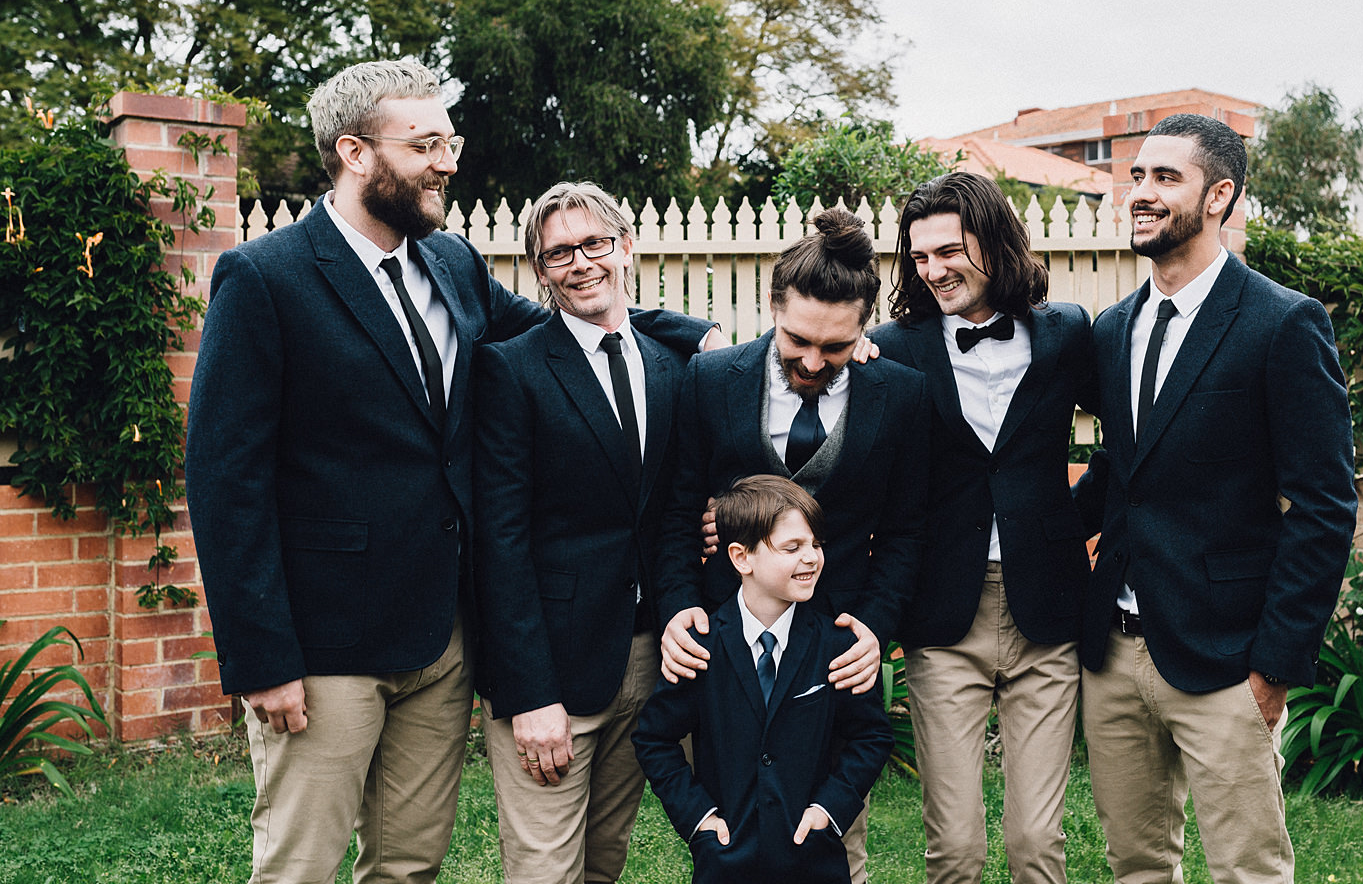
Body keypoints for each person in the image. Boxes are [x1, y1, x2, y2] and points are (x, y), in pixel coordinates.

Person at [185, 59, 712, 884]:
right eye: (426, 143)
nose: (448, 161)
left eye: (449, 140)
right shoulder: (266, 277)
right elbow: (224, 479)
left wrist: (700, 336)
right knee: (300, 865)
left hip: (440, 638)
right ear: (356, 152)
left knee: (410, 863)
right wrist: (261, 657)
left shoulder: (452, 263)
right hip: (326, 646)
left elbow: (568, 327)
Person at [1077, 113, 1357, 884]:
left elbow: (1325, 506)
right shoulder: (1113, 329)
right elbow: (1121, 470)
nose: (1142, 191)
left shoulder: (1282, 323)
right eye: (1137, 175)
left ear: (1219, 196)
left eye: (1166, 178)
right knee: (1135, 864)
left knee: (1248, 871)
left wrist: (1274, 665)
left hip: (1229, 659)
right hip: (1115, 652)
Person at [654, 207, 929, 883]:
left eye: (835, 349)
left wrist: (872, 626)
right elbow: (674, 511)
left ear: (866, 329)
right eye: (797, 340)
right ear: (772, 306)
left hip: (832, 640)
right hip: (731, 636)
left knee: (832, 835)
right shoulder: (712, 381)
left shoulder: (900, 396)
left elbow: (905, 531)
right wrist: (679, 610)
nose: (812, 362)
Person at [869, 171, 1097, 884]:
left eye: (948, 251)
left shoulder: (1066, 334)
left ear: (994, 243)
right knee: (956, 849)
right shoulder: (894, 347)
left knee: (1036, 844)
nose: (932, 270)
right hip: (945, 619)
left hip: (1047, 616)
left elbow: (1131, 438)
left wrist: (1068, 520)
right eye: (920, 257)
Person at [469, 182, 694, 883]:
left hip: (646, 661)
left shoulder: (671, 365)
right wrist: (531, 694)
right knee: (545, 870)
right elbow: (498, 542)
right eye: (559, 252)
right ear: (539, 271)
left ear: (626, 246)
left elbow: (674, 513)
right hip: (553, 671)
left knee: (603, 862)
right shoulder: (510, 370)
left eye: (594, 243)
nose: (580, 262)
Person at [634, 475, 893, 884]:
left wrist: (829, 810)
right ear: (741, 558)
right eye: (792, 547)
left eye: (816, 544)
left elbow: (872, 736)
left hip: (813, 862)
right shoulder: (701, 646)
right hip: (725, 863)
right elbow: (654, 738)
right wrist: (698, 819)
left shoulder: (837, 644)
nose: (811, 557)